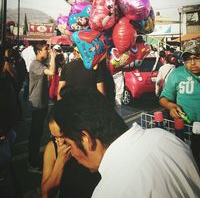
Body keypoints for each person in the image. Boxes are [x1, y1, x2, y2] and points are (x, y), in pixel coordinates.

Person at [54, 87, 200, 198]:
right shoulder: (165, 138)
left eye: (68, 143)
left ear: (85, 138)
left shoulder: (110, 192)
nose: (70, 153)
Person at [41, 106, 100, 198]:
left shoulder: (90, 145)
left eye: (62, 136)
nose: (60, 143)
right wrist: (60, 163)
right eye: (55, 137)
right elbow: (46, 194)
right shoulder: (53, 147)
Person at [159, 39, 200, 170]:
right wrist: (171, 106)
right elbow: (163, 98)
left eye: (197, 58)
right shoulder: (177, 74)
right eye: (187, 59)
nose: (192, 63)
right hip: (185, 129)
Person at [28, 41, 56, 173]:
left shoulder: (40, 64)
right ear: (39, 51)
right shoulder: (36, 64)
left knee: (38, 132)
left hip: (42, 102)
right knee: (35, 133)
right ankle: (32, 163)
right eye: (45, 49)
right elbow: (51, 72)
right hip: (37, 103)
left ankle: (34, 158)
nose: (47, 51)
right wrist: (54, 58)